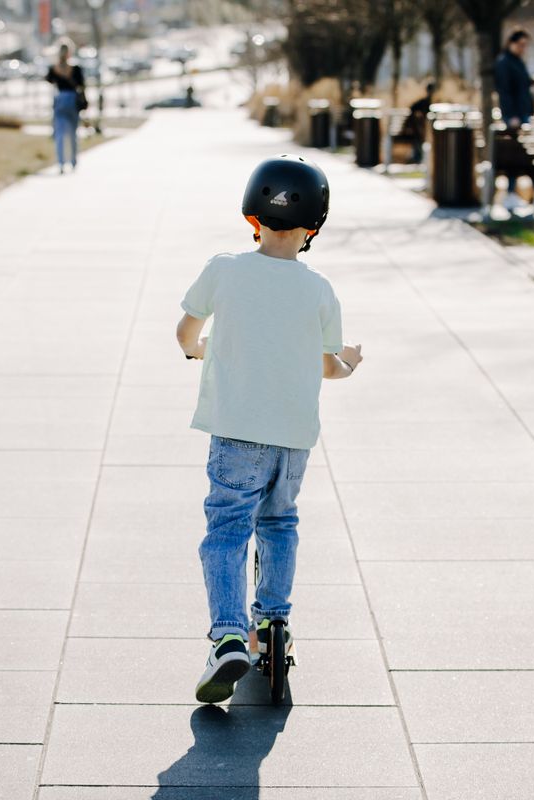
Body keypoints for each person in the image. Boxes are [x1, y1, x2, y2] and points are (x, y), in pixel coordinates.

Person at [176, 155, 363, 704]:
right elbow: (326, 364)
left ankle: (229, 634)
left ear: (252, 217)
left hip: (236, 433)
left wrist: (201, 351)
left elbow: (187, 333)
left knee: (228, 529)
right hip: (293, 438)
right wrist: (349, 361)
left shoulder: (224, 269)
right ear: (314, 228)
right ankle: (274, 627)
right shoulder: (320, 289)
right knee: (279, 523)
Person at [494, 28, 534, 211]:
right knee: (523, 155)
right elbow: (504, 91)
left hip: (523, 113)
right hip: (515, 115)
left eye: (525, 45)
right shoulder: (505, 63)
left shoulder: (517, 62)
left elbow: (520, 85)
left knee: (521, 156)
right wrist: (510, 115)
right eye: (521, 44)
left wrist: (532, 81)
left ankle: (519, 194)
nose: (523, 48)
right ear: (511, 43)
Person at [45, 40, 85, 174]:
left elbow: (49, 80)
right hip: (72, 100)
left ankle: (61, 163)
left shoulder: (54, 68)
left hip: (60, 100)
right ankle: (73, 161)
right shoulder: (76, 68)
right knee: (73, 133)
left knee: (60, 134)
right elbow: (81, 84)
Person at [406, 81, 435, 163]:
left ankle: (418, 158)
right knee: (419, 135)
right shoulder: (426, 102)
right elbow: (412, 109)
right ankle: (418, 158)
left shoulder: (430, 102)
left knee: (420, 135)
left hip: (426, 130)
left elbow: (412, 108)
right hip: (423, 131)